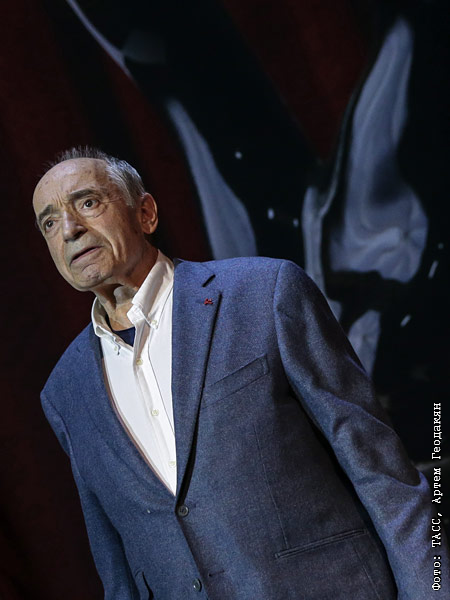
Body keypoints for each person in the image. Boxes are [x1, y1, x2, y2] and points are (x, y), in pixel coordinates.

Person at [33, 147, 448, 600]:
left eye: (88, 202)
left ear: (146, 213)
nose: (69, 229)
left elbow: (382, 472)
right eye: (49, 222)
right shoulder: (65, 390)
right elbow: (114, 564)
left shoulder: (265, 293)